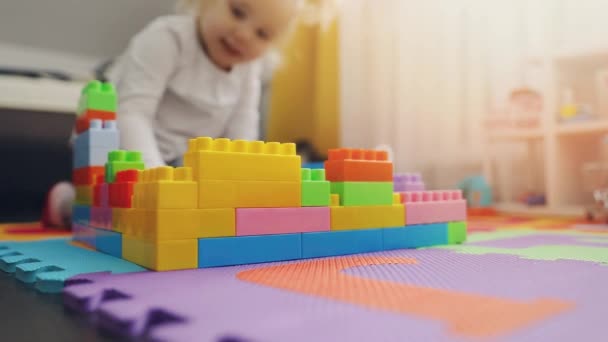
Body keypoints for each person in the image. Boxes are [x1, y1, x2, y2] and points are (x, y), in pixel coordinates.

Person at [43, 0, 306, 227]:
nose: (245, 34)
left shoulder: (249, 69)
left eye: (262, 34)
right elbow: (132, 113)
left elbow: (242, 130)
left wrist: (242, 186)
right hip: (123, 150)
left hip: (181, 163)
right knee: (117, 215)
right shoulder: (167, 38)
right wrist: (155, 179)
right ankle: (70, 202)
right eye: (237, 11)